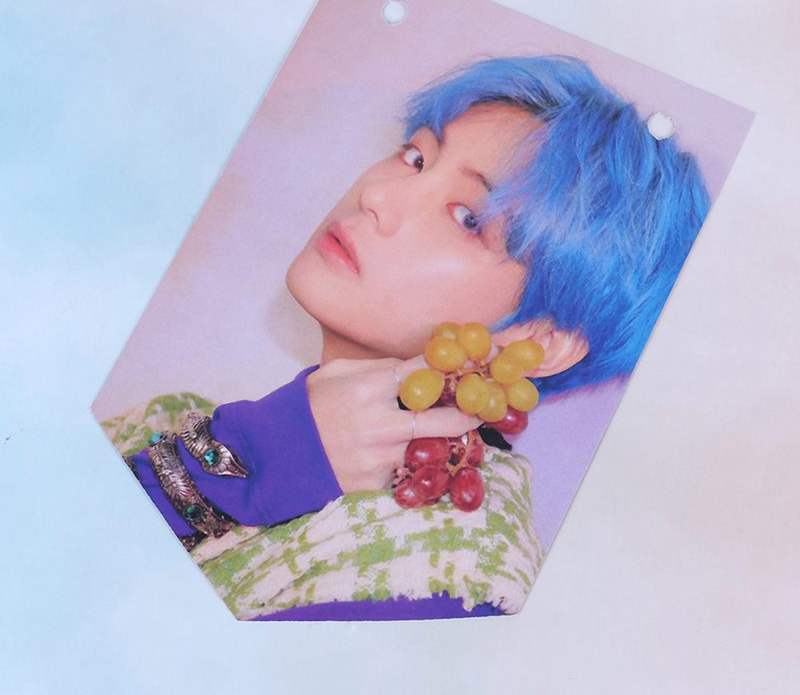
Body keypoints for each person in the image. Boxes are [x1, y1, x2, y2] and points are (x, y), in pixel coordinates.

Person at [121, 55, 710, 620]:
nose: (376, 196)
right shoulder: (180, 418)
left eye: (469, 218)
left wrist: (274, 452)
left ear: (541, 339)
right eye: (415, 157)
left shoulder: (447, 581)